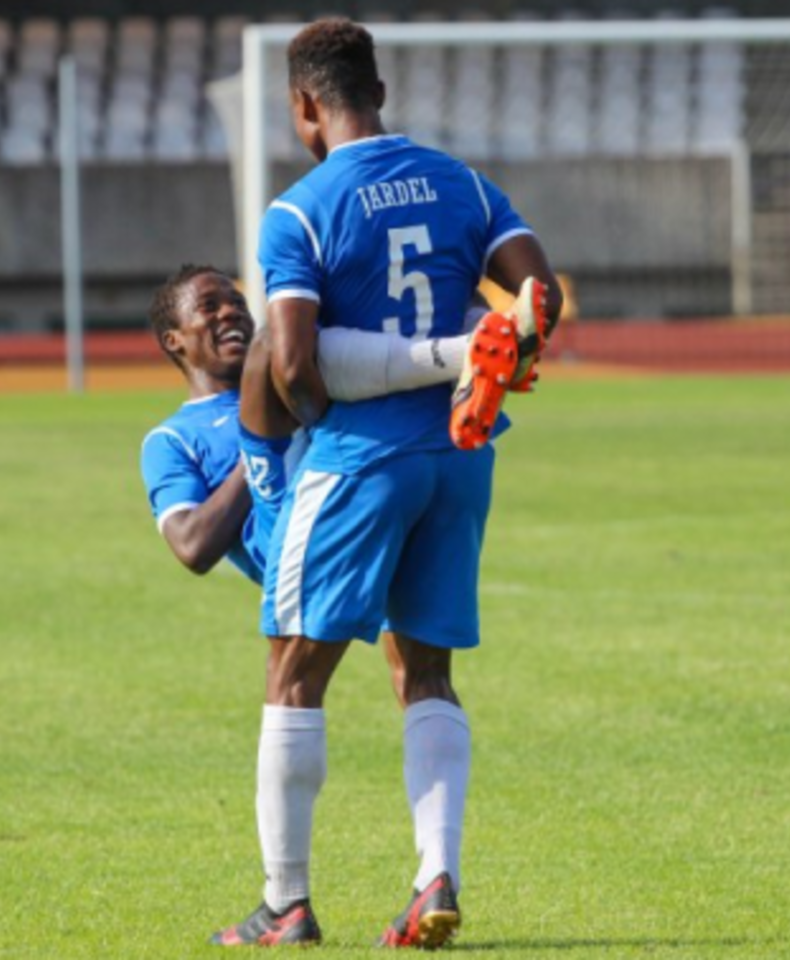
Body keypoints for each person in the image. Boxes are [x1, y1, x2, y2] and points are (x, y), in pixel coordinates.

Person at [210, 19, 563, 950]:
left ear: (303, 106)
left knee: (295, 672)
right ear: (380, 91)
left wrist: (322, 424)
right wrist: (485, 356)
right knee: (427, 671)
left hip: (361, 462)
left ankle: (285, 904)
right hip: (462, 453)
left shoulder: (300, 210)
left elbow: (292, 364)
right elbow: (541, 299)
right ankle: (435, 875)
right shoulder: (464, 183)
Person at [140, 264, 537, 585]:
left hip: (366, 488)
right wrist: (263, 437)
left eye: (237, 303)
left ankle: (483, 351)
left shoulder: (296, 373)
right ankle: (470, 354)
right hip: (294, 540)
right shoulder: (172, 439)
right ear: (173, 340)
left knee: (442, 281)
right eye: (209, 307)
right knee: (281, 336)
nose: (231, 312)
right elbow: (192, 547)